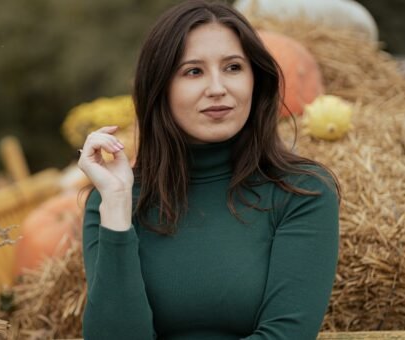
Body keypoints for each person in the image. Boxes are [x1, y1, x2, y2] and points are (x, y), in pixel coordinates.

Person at [77, 1, 340, 339]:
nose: (218, 88)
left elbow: (285, 334)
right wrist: (115, 204)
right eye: (193, 71)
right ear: (161, 89)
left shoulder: (303, 192)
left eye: (233, 67)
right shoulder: (112, 202)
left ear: (255, 80)